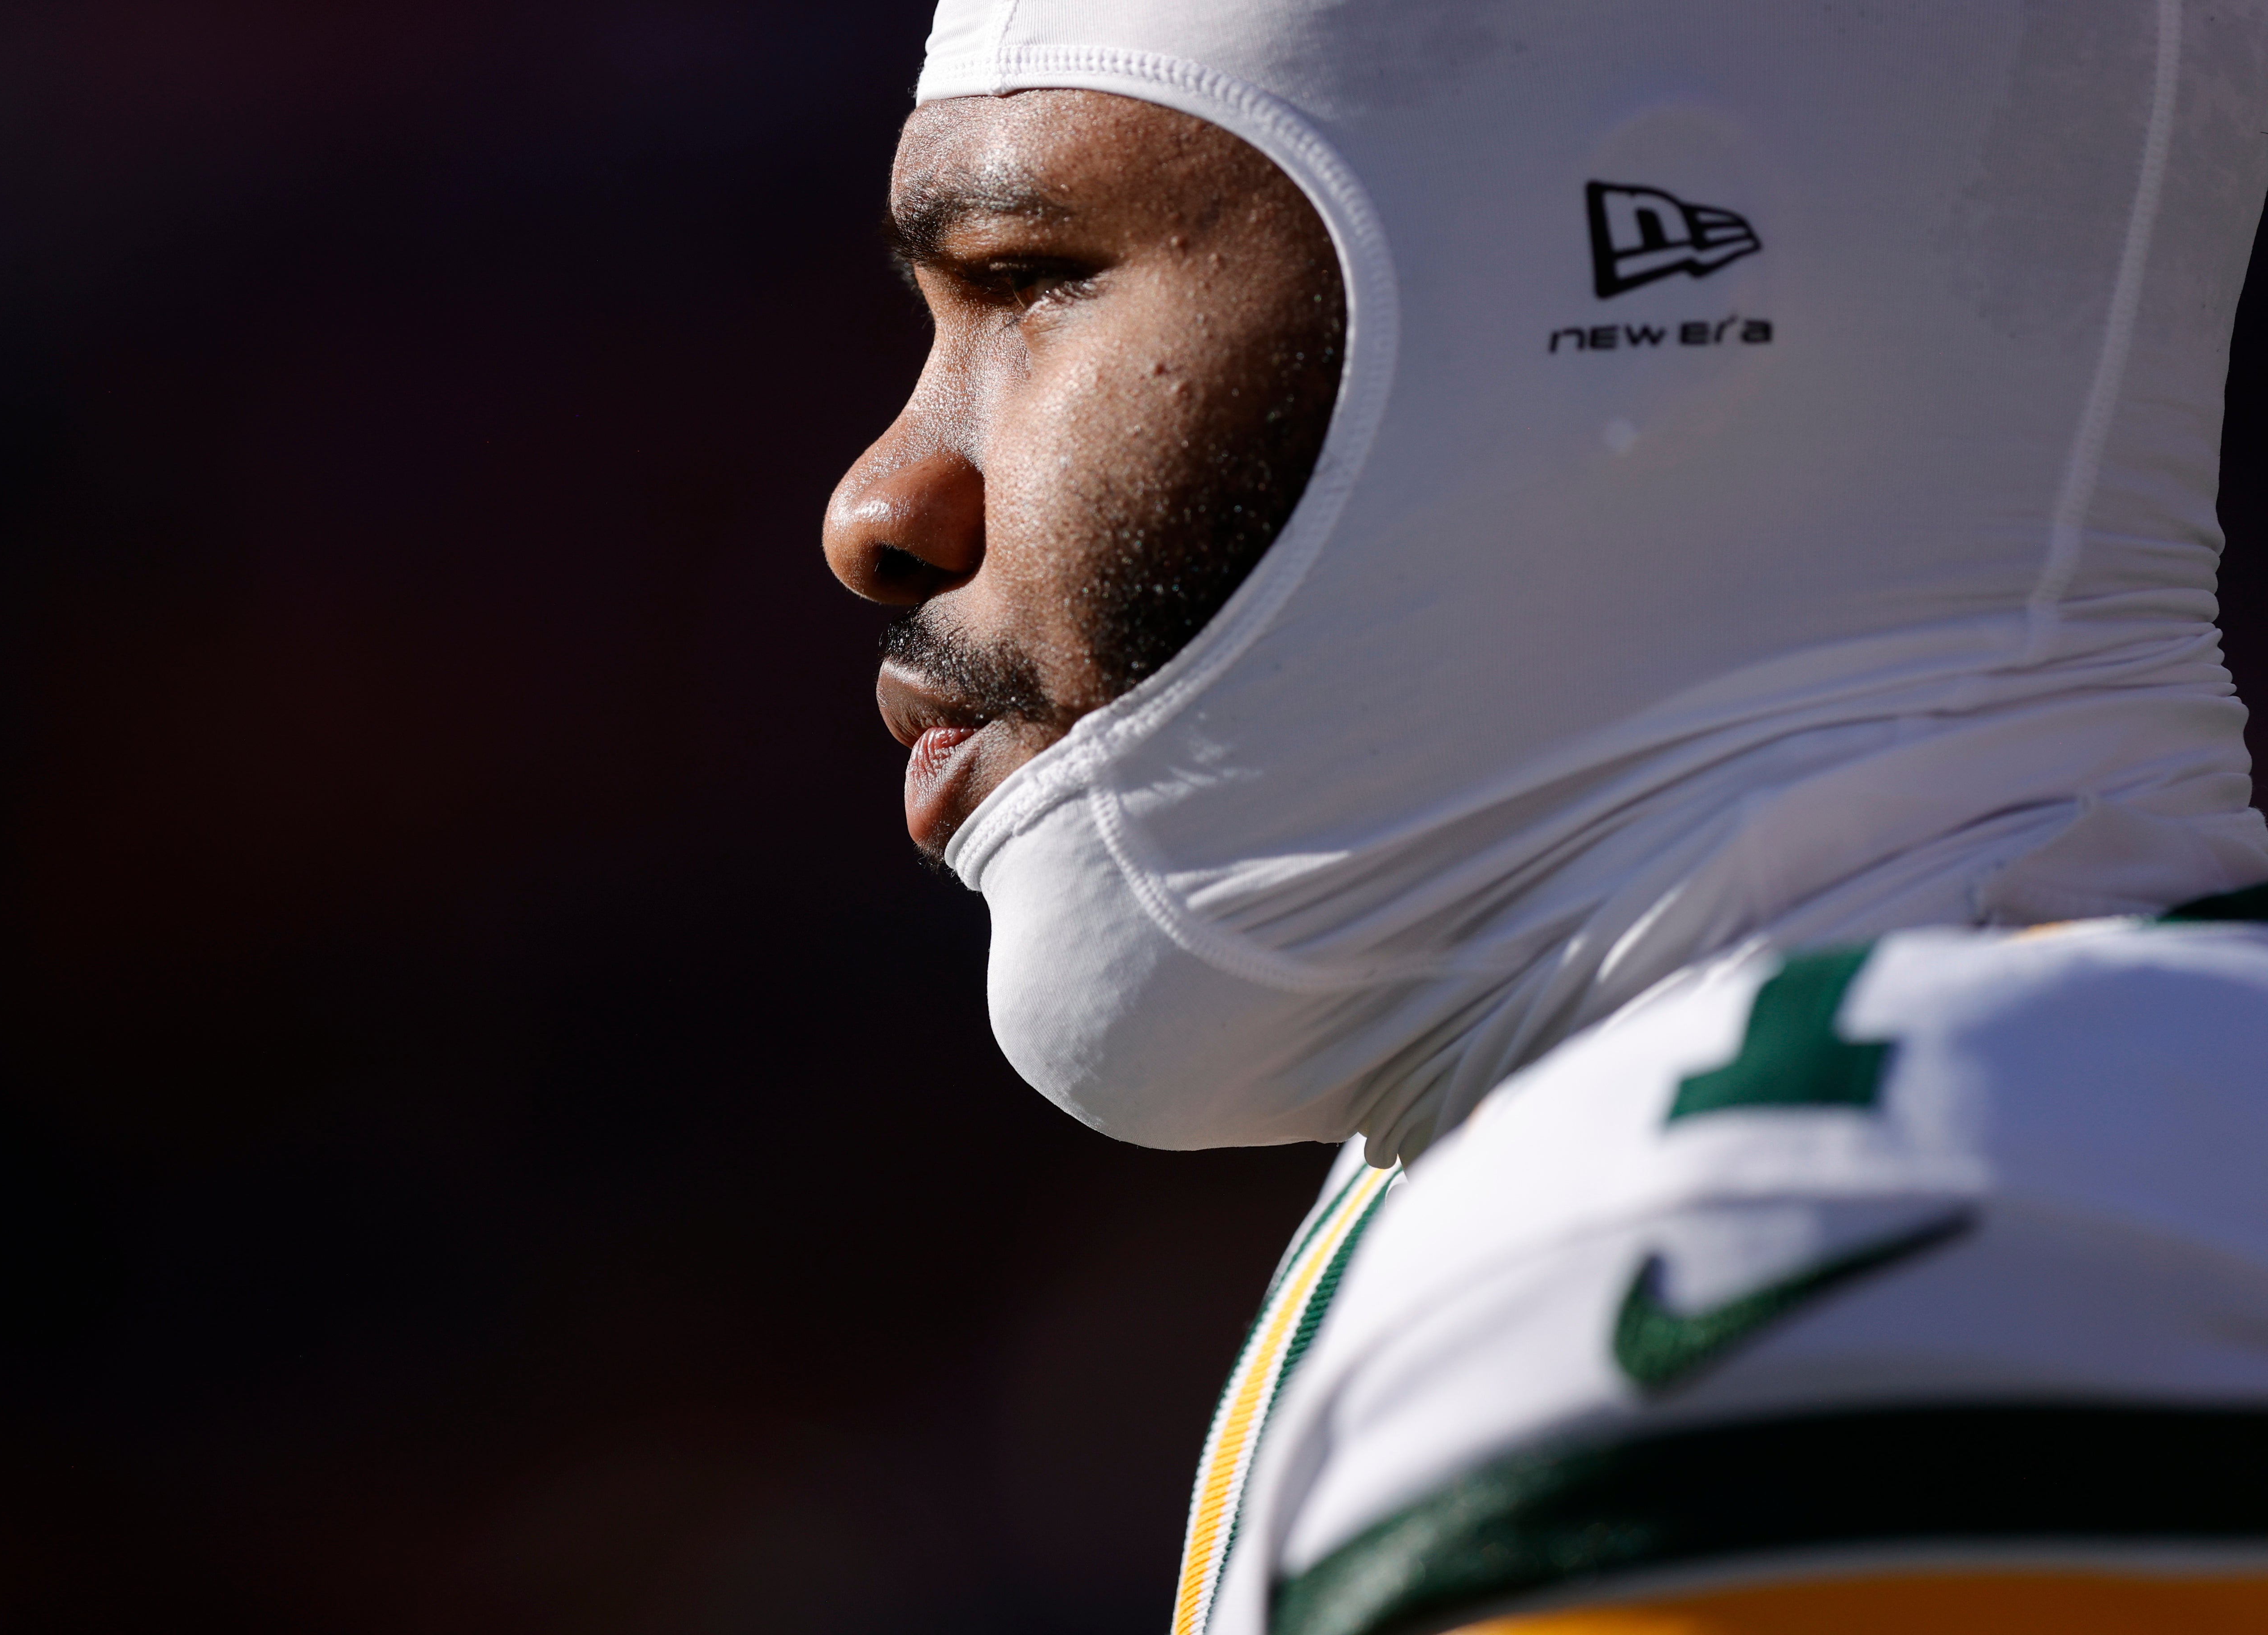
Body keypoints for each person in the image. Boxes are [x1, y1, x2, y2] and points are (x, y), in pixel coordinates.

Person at [822, 4, 2268, 1632]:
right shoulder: (2071, 1135)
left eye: (1029, 278)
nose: (875, 506)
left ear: (1656, 272)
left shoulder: (1774, 1241)